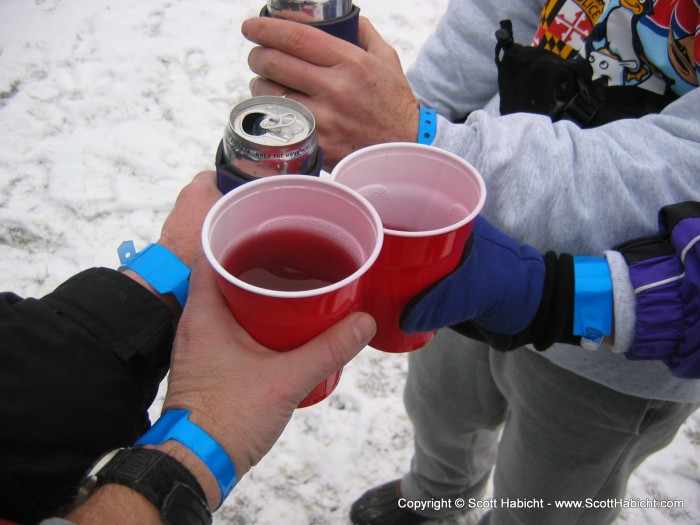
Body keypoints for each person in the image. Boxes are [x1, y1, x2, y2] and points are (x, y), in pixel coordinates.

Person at [241, 1, 700, 523]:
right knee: (442, 409)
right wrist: (401, 128)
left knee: (549, 496)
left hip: (615, 346)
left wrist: (424, 136)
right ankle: (440, 492)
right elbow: (491, 15)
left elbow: (678, 177)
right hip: (466, 248)